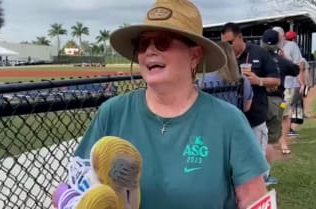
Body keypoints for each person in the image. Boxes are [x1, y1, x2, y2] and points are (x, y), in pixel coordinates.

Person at [74, 1, 269, 209]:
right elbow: (75, 187)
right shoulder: (112, 113)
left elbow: (254, 200)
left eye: (162, 41)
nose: (149, 51)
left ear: (194, 55)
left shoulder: (227, 121)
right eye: (142, 44)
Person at [221, 22, 281, 157]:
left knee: (257, 158)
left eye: (230, 42)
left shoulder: (259, 53)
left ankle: (264, 177)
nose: (227, 47)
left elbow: (276, 81)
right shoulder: (224, 59)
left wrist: (258, 80)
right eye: (224, 44)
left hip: (255, 116)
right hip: (233, 120)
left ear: (240, 37)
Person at [261, 29, 299, 176]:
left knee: (255, 137)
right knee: (269, 141)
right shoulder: (280, 60)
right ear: (279, 42)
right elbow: (295, 69)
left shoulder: (256, 57)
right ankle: (265, 175)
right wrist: (283, 56)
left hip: (256, 102)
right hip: (275, 102)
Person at [273, 26, 305, 153]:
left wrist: (301, 83)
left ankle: (283, 142)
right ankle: (273, 139)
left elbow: (299, 65)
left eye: (277, 36)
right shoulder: (268, 48)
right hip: (271, 87)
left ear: (282, 36)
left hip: (288, 86)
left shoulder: (292, 46)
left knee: (284, 114)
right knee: (274, 114)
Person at [199, 41, 253, 112]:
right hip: (235, 121)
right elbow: (246, 108)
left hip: (211, 121)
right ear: (233, 57)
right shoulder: (243, 81)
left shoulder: (202, 80)